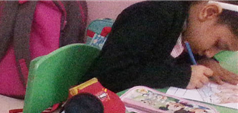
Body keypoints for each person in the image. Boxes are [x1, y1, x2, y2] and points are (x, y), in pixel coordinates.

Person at [90, 0, 238, 92]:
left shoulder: (185, 25)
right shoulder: (151, 16)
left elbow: (166, 57)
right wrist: (183, 76)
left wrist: (203, 60)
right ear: (209, 12)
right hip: (93, 107)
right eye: (218, 44)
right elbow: (112, 75)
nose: (210, 53)